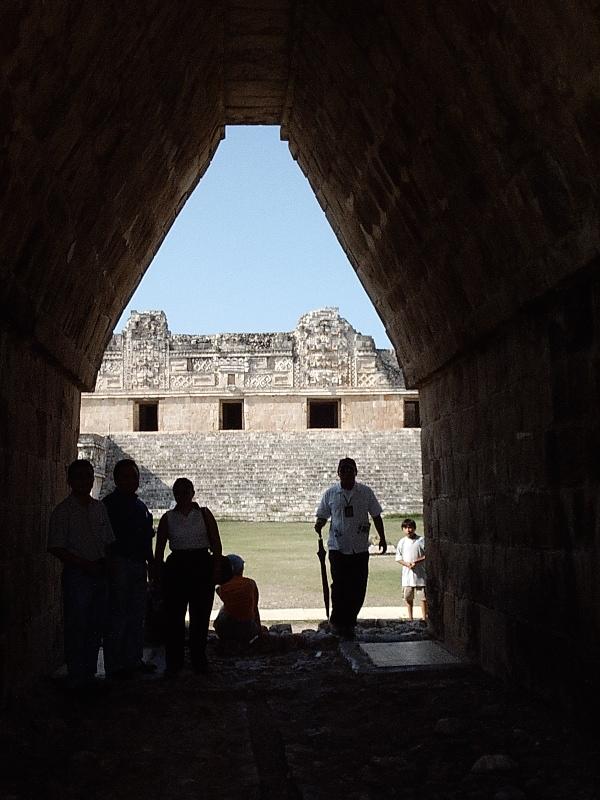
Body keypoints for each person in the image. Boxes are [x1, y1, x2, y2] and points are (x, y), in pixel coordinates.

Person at [47, 459, 114, 691]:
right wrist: (84, 564)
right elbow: (55, 546)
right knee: (77, 625)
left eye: (88, 476)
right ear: (69, 480)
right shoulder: (62, 512)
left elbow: (108, 541)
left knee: (96, 624)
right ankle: (77, 673)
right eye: (79, 476)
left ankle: (89, 671)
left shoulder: (99, 508)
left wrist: (105, 565)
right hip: (78, 575)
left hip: (99, 573)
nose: (85, 481)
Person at [155, 477, 223, 676]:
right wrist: (158, 574)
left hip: (201, 564)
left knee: (200, 617)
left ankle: (199, 659)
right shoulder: (168, 518)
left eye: (186, 491)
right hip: (177, 568)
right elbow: (159, 549)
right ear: (174, 494)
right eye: (179, 491)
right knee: (174, 617)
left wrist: (216, 567)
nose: (182, 495)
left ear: (193, 493)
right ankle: (174, 662)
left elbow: (216, 543)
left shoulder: (203, 514)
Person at [314, 457, 386, 640]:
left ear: (356, 472)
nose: (346, 473)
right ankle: (338, 622)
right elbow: (322, 514)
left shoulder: (365, 492)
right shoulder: (331, 494)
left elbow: (376, 515)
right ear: (338, 473)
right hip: (338, 547)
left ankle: (350, 621)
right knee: (339, 586)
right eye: (343, 469)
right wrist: (320, 524)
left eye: (350, 469)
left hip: (360, 548)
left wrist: (383, 538)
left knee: (358, 587)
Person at [102, 459, 155, 679]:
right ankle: (115, 665)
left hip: (136, 565)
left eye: (134, 476)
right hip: (119, 564)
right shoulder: (109, 505)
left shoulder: (140, 506)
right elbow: (104, 539)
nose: (131, 481)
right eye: (125, 476)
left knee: (136, 614)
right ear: (116, 479)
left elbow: (145, 539)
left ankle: (133, 659)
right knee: (118, 614)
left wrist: (150, 563)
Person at [213, 554, 263, 646]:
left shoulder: (222, 587)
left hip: (226, 630)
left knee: (224, 609)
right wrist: (259, 629)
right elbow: (255, 608)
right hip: (248, 631)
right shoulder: (251, 583)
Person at [395, 518, 427, 621]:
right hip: (407, 575)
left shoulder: (421, 540)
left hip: (420, 574)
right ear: (403, 529)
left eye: (410, 527)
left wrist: (416, 562)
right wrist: (407, 564)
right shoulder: (402, 542)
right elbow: (398, 558)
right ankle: (410, 618)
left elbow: (427, 554)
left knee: (423, 598)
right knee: (408, 598)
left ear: (414, 528)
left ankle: (424, 617)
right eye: (406, 528)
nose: (408, 530)